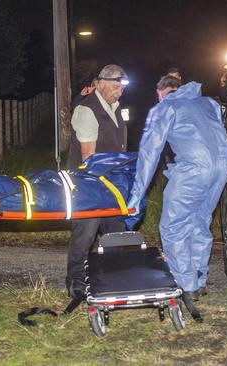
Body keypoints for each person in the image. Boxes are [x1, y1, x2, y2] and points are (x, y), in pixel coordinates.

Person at [127, 77, 227, 303]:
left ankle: (185, 284)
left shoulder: (165, 107)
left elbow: (149, 152)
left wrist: (137, 192)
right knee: (199, 220)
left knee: (173, 226)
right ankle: (199, 277)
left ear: (160, 92)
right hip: (222, 167)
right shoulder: (209, 103)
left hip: (194, 168)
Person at [66, 64, 129, 299]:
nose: (119, 92)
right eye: (115, 87)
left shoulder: (115, 107)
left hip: (111, 183)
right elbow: (88, 158)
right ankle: (76, 282)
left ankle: (114, 278)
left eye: (122, 88)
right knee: (85, 234)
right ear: (100, 83)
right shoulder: (87, 110)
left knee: (116, 231)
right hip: (89, 184)